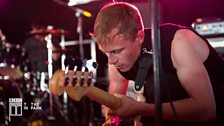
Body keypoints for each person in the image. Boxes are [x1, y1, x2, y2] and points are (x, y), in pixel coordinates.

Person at [92, 2, 224, 126]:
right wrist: (113, 120)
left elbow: (207, 110)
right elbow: (114, 105)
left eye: (117, 51)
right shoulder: (114, 59)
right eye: (105, 52)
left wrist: (140, 108)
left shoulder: (178, 42)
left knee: (159, 85)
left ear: (140, 37)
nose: (110, 61)